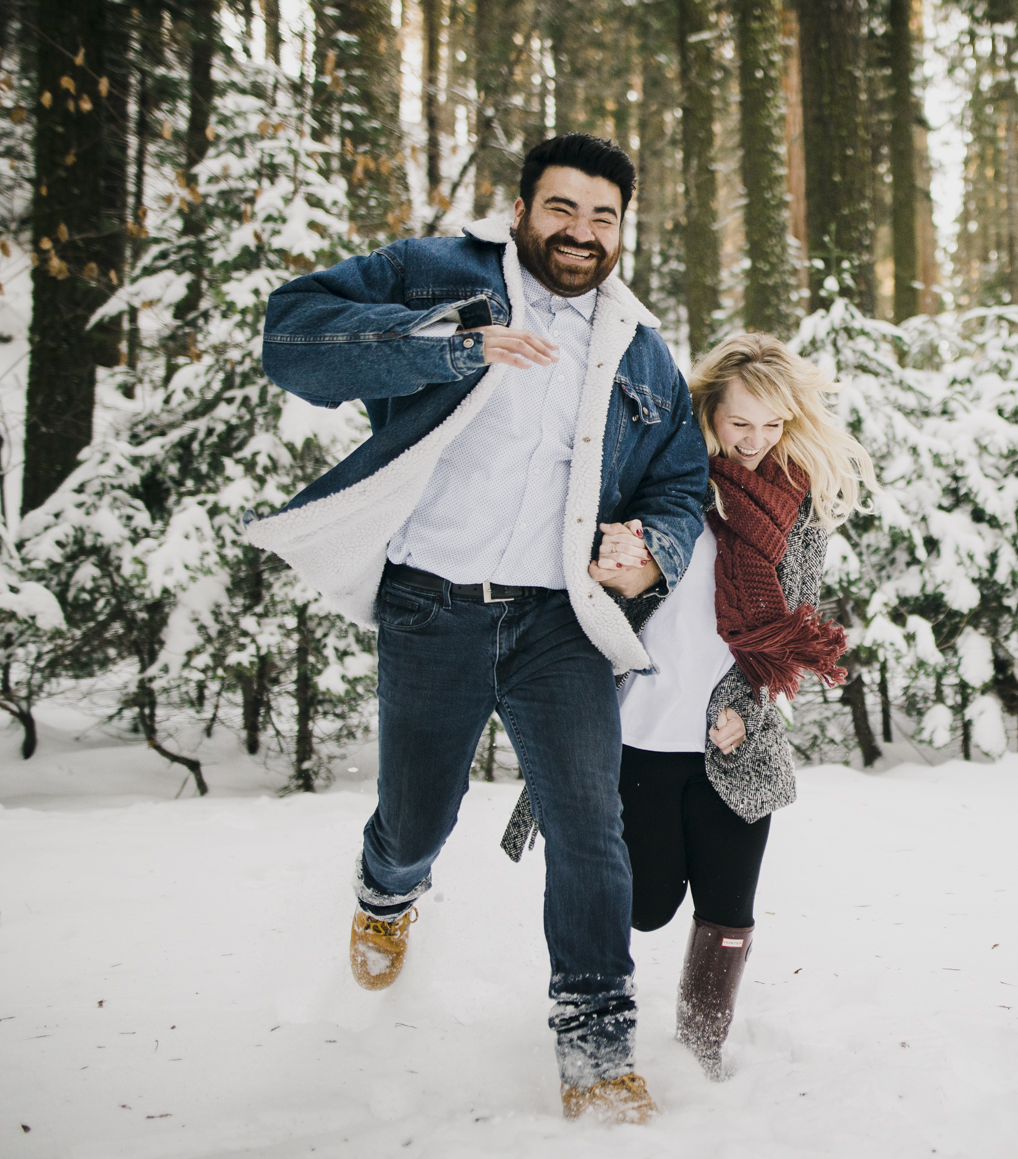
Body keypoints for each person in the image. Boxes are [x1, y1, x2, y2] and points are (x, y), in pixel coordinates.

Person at [246, 133, 706, 1124]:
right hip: (430, 604)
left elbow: (679, 478)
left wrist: (654, 547)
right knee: (419, 815)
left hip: (559, 623)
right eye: (563, 207)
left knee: (590, 824)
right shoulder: (434, 272)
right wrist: (449, 345)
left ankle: (595, 1045)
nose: (581, 231)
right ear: (523, 208)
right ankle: (385, 890)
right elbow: (292, 334)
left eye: (603, 215)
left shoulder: (639, 344)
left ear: (623, 227)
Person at [502, 332, 873, 1079]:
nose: (756, 441)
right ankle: (591, 1006)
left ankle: (702, 1055)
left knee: (729, 909)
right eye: (741, 423)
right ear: (708, 411)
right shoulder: (664, 484)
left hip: (733, 745)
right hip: (637, 736)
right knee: (642, 906)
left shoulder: (792, 507)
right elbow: (597, 592)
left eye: (772, 425)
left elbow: (785, 630)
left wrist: (749, 706)